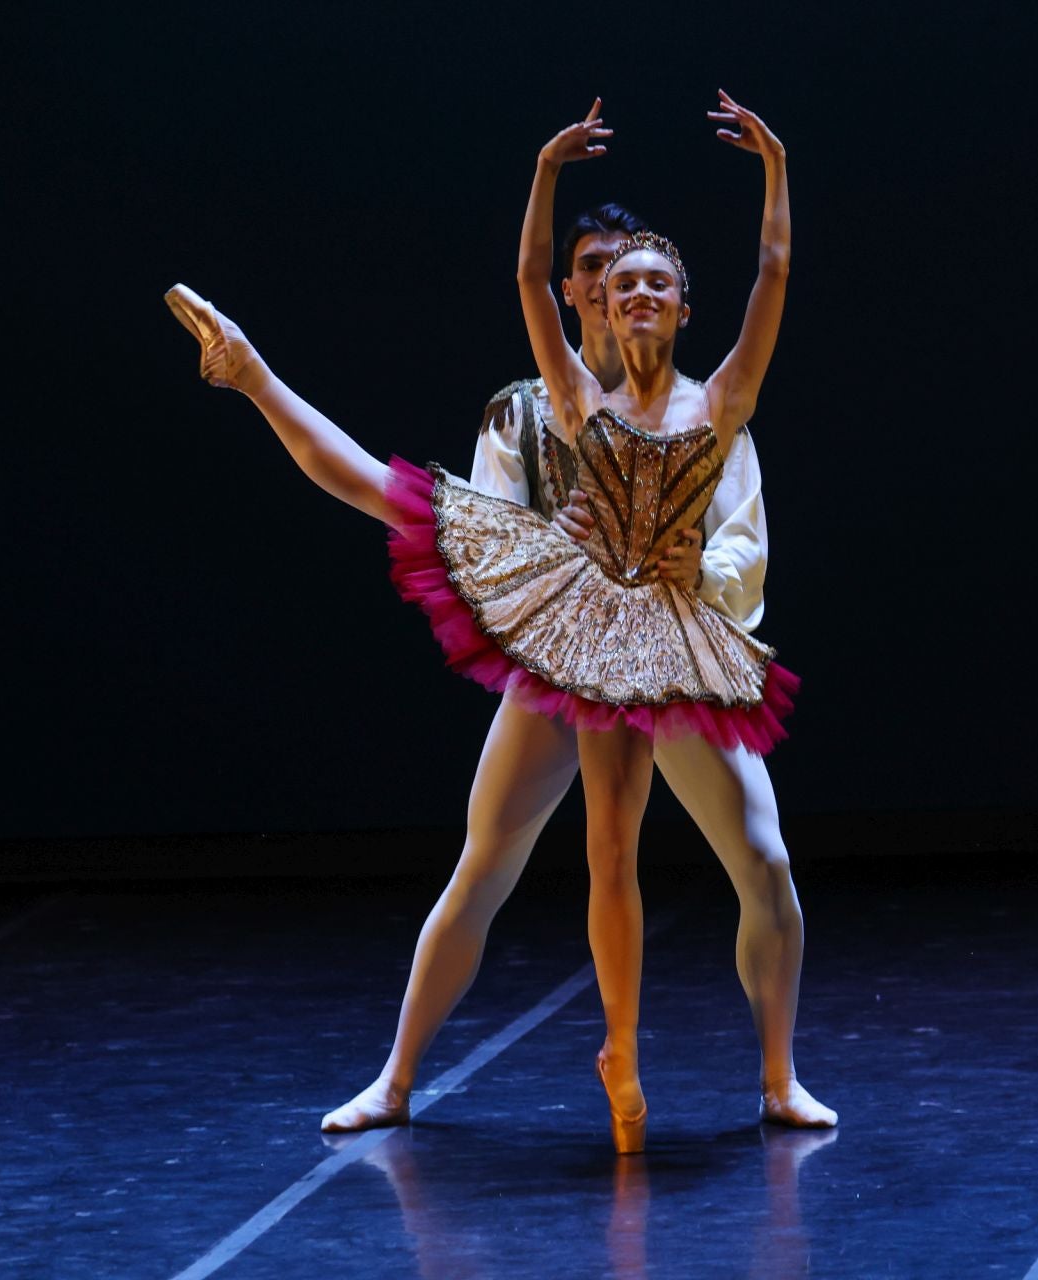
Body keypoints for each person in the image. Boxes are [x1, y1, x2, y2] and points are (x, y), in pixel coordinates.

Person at [165, 92, 832, 1152]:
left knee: (764, 858)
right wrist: (561, 558)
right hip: (560, 638)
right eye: (610, 275)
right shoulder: (535, 405)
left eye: (650, 275)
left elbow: (741, 534)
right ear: (586, 294)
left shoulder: (710, 407)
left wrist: (695, 564)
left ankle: (779, 1074)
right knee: (489, 861)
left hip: (674, 642)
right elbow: (488, 530)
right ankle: (396, 1076)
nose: (630, 291)